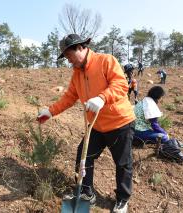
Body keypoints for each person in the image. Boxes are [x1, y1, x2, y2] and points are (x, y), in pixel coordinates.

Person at [37, 34, 135, 212]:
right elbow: (69, 97)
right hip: (96, 126)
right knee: (84, 156)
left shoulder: (106, 61)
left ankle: (122, 199)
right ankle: (86, 193)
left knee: (123, 163)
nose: (69, 61)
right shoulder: (77, 74)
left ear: (81, 47)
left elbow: (121, 85)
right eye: (66, 58)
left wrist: (102, 98)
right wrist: (50, 112)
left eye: (70, 56)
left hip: (119, 122)